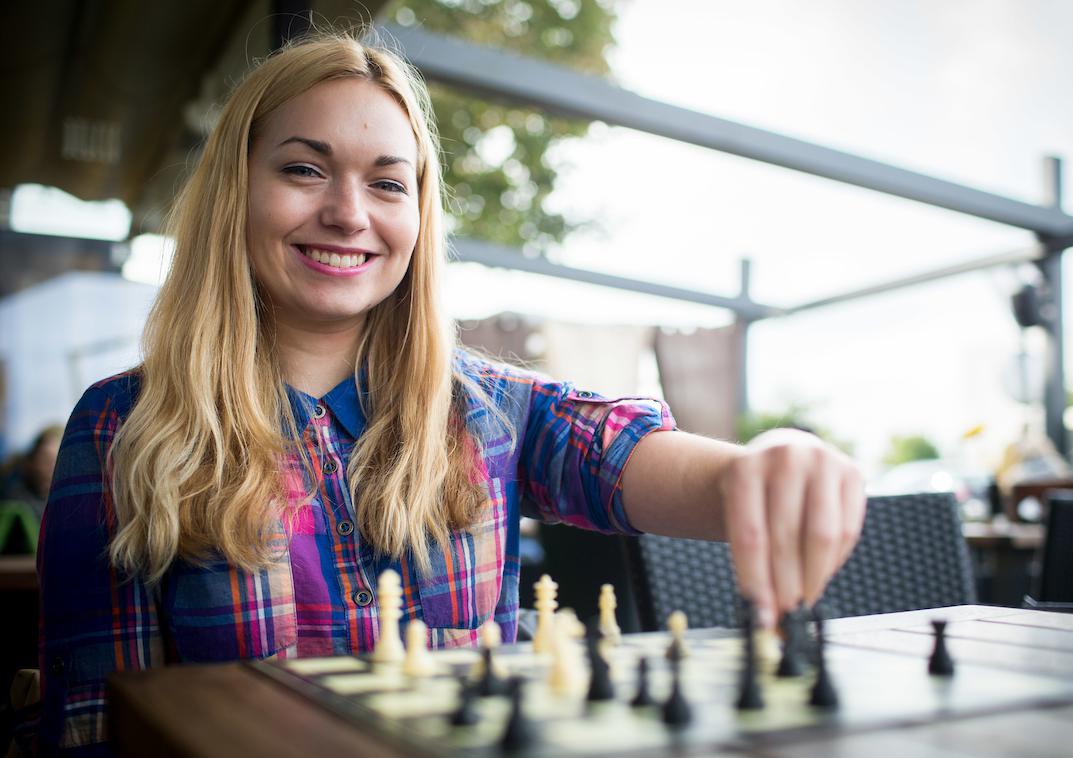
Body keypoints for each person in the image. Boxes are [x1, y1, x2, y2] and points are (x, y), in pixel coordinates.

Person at [30, 33, 864, 755]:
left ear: (419, 217)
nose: (349, 213)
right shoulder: (118, 428)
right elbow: (100, 730)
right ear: (235, 190)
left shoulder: (492, 413)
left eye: (388, 184)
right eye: (302, 169)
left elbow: (620, 457)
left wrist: (761, 468)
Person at [0, 424, 63, 528]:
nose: (52, 467)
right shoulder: (14, 502)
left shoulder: (63, 505)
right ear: (30, 462)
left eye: (57, 461)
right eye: (46, 458)